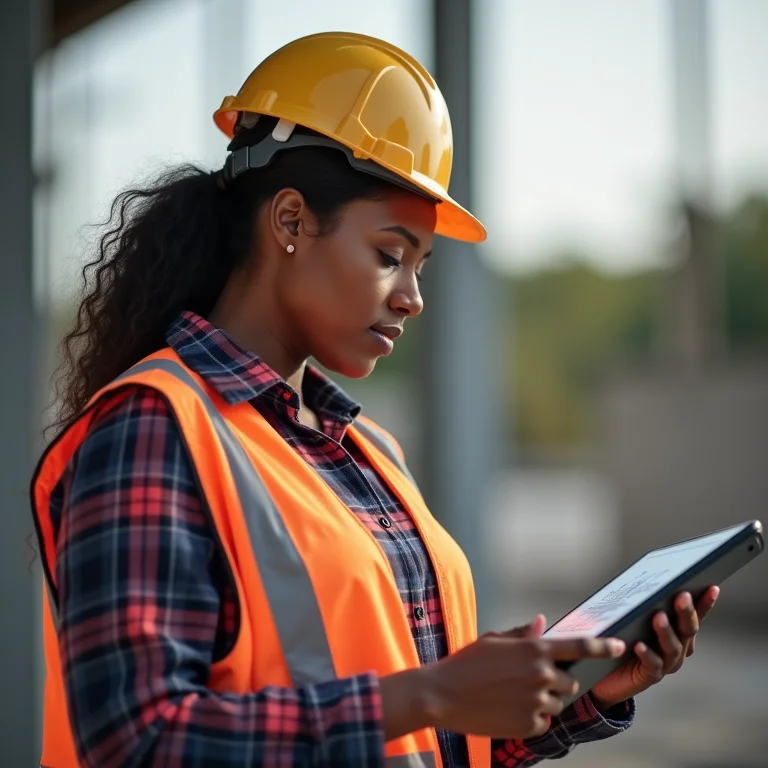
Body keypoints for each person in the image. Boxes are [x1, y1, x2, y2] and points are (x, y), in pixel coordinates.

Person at [31, 32, 719, 768]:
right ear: (290, 221)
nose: (413, 297)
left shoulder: (367, 452)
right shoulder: (154, 429)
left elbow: (425, 740)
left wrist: (576, 692)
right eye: (390, 255)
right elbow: (138, 741)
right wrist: (431, 693)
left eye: (421, 265)